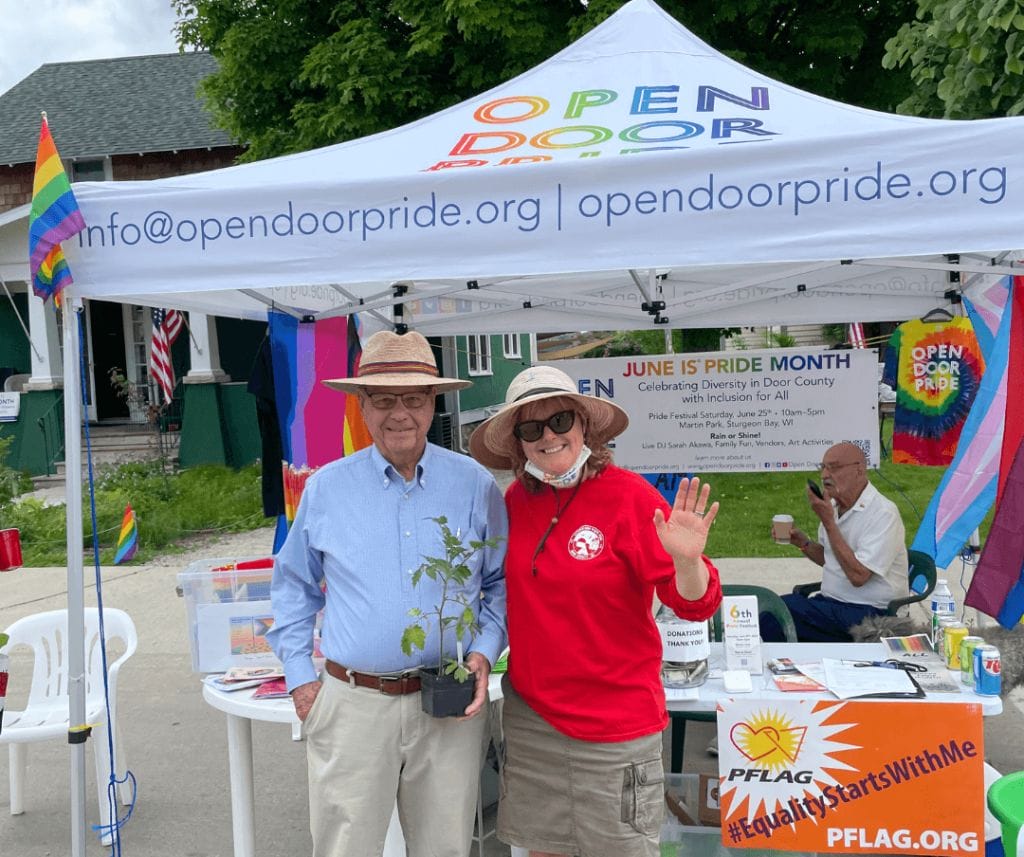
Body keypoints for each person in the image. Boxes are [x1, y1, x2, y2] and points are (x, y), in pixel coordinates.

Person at [267, 330, 507, 857]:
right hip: (352, 704)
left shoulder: (474, 484)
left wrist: (484, 652)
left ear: (433, 403)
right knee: (344, 848)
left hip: (448, 705)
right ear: (361, 405)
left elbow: (498, 582)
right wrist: (302, 681)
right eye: (383, 399)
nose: (400, 413)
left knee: (444, 847)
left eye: (414, 399)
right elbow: (292, 587)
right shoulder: (326, 488)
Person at [468, 365, 722, 857]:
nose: (548, 437)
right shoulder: (515, 501)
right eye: (530, 428)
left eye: (560, 420)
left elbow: (694, 604)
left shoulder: (629, 497)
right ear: (518, 444)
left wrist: (687, 561)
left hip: (615, 729)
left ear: (584, 424)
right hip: (533, 720)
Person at [774, 442, 908, 642]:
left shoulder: (883, 513)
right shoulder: (835, 507)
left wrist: (829, 523)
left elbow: (859, 576)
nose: (825, 475)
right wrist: (803, 543)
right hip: (831, 604)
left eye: (834, 467)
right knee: (771, 611)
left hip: (870, 612)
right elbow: (832, 559)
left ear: (859, 470)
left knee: (777, 614)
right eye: (823, 467)